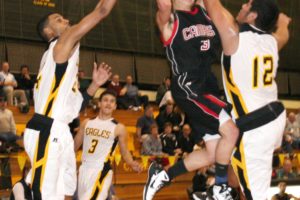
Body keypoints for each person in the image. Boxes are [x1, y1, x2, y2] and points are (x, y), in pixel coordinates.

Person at [143, 1, 239, 199]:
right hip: (189, 88)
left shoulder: (205, 12)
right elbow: (162, 7)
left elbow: (230, 26)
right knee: (231, 131)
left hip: (208, 86)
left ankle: (163, 176)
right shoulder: (171, 19)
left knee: (214, 153)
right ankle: (219, 189)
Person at [23, 0, 116, 199]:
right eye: (58, 19)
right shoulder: (59, 45)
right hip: (47, 130)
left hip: (60, 130)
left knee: (62, 191)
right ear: (49, 32)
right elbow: (101, 11)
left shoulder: (61, 65)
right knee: (43, 193)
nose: (65, 20)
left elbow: (74, 108)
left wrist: (94, 85)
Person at [203, 0, 291, 199]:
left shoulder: (235, 37)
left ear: (252, 16)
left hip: (255, 128)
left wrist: (283, 22)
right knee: (236, 180)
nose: (242, 5)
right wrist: (284, 23)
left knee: (254, 195)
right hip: (272, 118)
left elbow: (213, 6)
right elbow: (284, 34)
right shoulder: (272, 41)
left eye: (247, 4)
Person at [74, 90, 142, 200]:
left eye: (112, 101)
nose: (108, 103)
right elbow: (74, 146)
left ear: (115, 106)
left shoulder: (119, 128)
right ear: (99, 104)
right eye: (105, 100)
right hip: (84, 169)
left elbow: (124, 152)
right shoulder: (86, 122)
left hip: (102, 170)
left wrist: (131, 162)